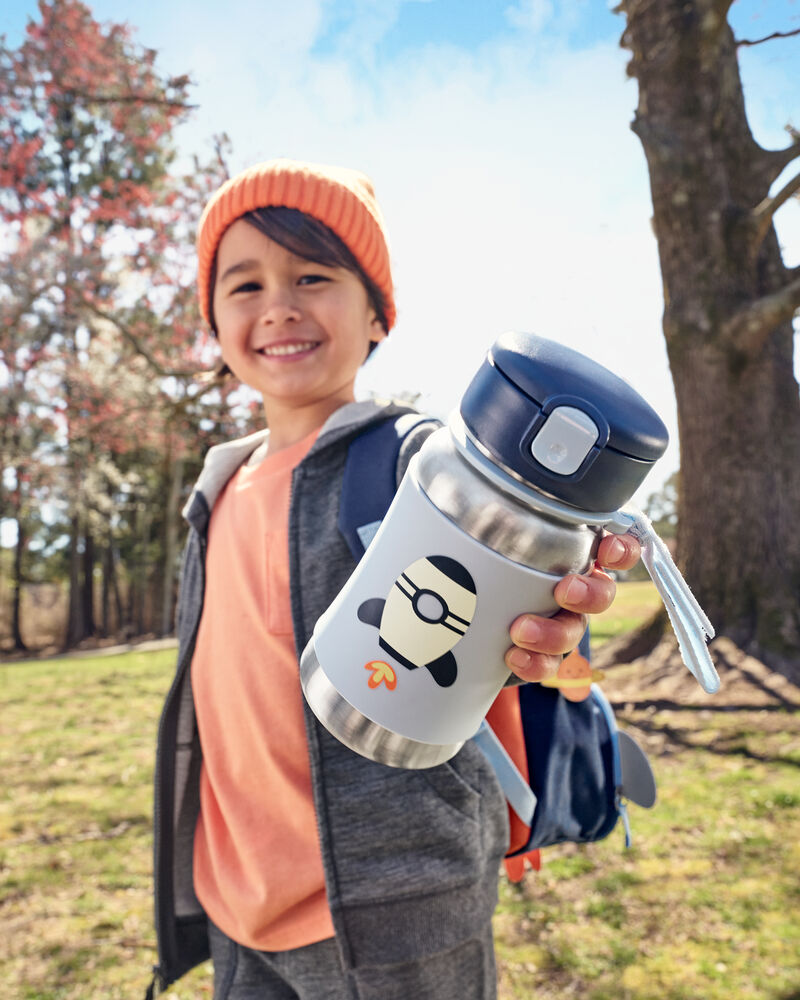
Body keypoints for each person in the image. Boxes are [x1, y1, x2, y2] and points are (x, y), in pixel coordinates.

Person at [147, 159, 641, 1000]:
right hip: (232, 899)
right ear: (214, 322)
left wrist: (561, 599)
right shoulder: (215, 488)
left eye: (313, 275)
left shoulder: (417, 460)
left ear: (378, 315)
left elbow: (519, 535)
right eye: (244, 284)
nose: (280, 305)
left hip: (398, 908)